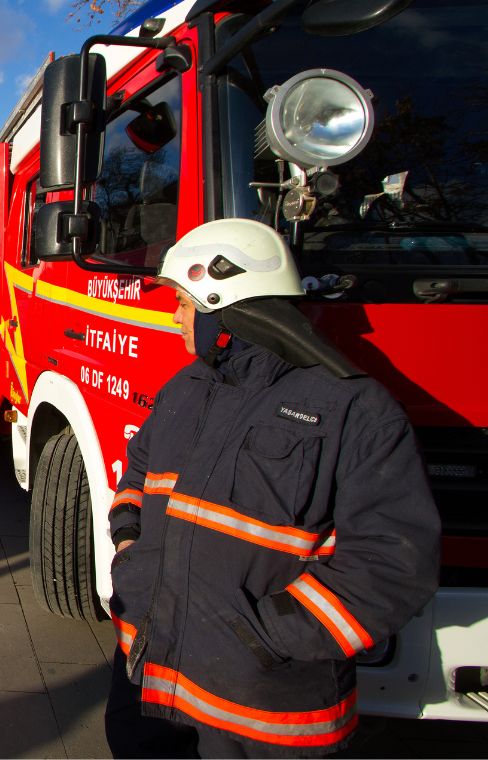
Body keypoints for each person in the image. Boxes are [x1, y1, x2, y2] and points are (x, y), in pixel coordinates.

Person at [104, 219, 439, 758]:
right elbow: (138, 473)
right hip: (148, 681)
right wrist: (128, 547)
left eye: (185, 305)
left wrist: (268, 637)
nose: (175, 317)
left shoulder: (355, 410)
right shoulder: (184, 388)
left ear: (225, 310)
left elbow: (393, 563)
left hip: (262, 716)